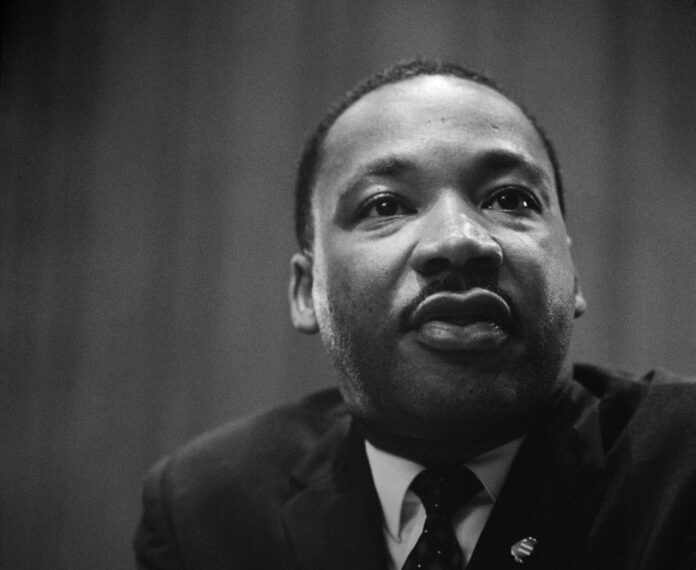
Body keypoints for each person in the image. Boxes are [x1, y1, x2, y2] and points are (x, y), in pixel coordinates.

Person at [134, 59, 696, 570]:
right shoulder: (205, 511)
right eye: (386, 205)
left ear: (572, 273)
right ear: (307, 291)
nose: (459, 239)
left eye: (511, 200)